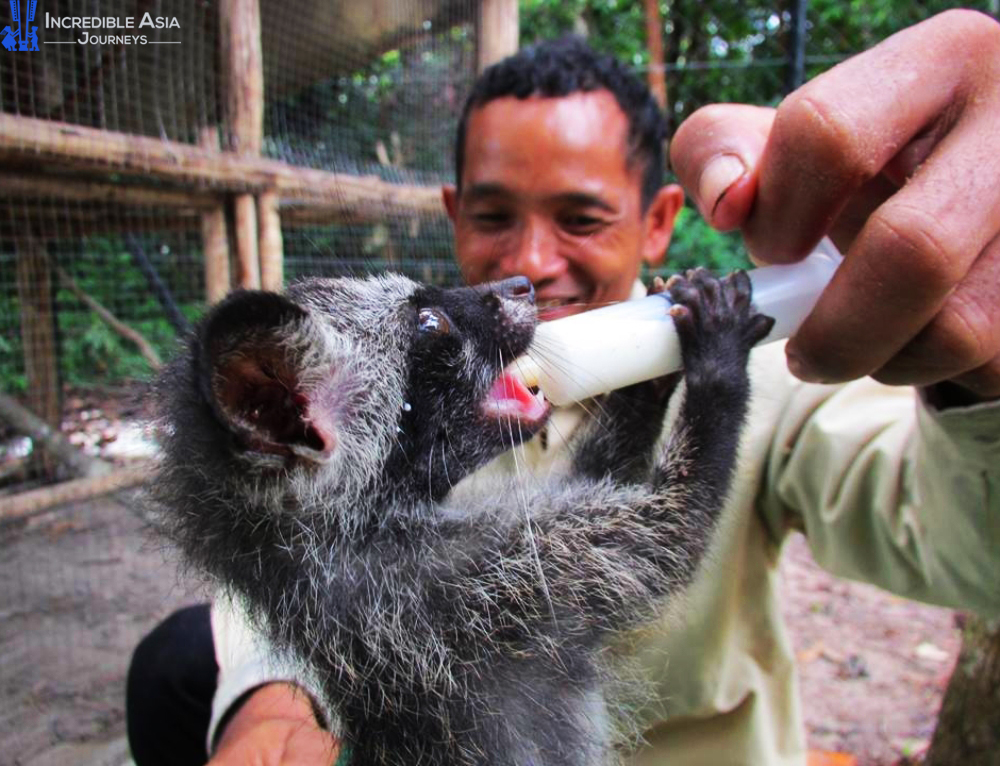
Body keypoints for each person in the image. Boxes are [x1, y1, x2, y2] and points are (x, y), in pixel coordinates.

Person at [126, 9, 1000, 766]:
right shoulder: (416, 567)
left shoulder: (800, 379)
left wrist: (980, 371)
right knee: (175, 664)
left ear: (659, 220)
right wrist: (714, 382)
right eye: (495, 216)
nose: (528, 273)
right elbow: (656, 535)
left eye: (581, 218)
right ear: (297, 425)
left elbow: (962, 547)